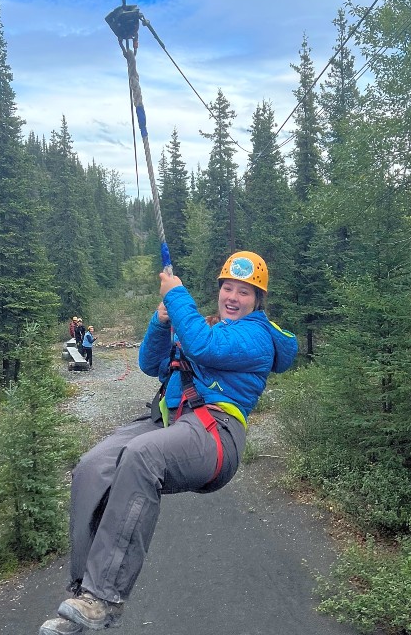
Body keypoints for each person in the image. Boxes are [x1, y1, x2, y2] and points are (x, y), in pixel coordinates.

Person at [39, 251, 298, 635]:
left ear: (258, 300)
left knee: (144, 456)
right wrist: (161, 322)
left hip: (216, 433)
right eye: (227, 287)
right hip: (168, 419)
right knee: (92, 467)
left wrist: (176, 296)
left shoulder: (255, 336)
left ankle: (104, 598)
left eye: (244, 292)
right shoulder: (207, 326)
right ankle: (83, 595)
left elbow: (205, 347)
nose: (232, 296)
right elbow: (149, 363)